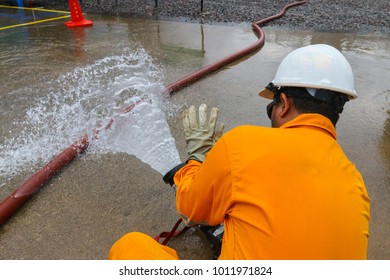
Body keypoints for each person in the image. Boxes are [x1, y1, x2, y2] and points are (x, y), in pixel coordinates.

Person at [108, 44, 370, 260]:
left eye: (272, 107)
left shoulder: (243, 143)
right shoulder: (356, 184)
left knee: (130, 246)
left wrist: (197, 160)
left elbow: (189, 209)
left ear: (284, 104)